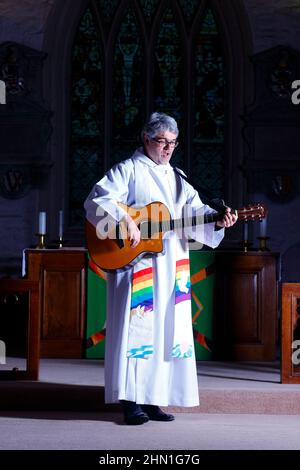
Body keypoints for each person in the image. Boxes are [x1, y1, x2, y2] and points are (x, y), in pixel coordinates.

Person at [84, 112, 237, 425]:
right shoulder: (128, 170)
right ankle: (131, 400)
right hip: (136, 264)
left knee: (167, 331)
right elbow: (97, 199)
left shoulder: (178, 176)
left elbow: (195, 211)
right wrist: (125, 220)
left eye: (172, 143)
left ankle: (155, 399)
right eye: (161, 141)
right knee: (138, 330)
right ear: (145, 138)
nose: (167, 148)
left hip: (172, 264)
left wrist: (217, 219)